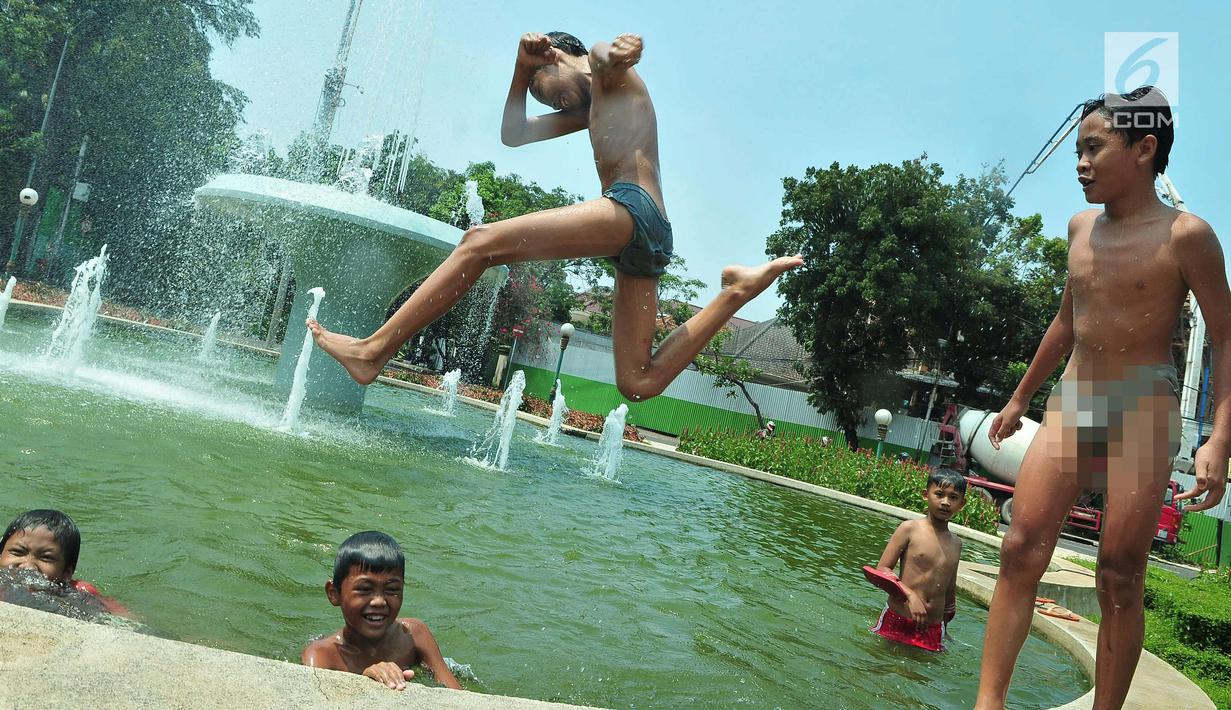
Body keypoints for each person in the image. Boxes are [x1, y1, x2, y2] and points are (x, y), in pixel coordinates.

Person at [307, 31, 802, 402]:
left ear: (558, 55)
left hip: (630, 207)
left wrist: (619, 52)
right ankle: (736, 290)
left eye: (546, 90)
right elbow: (514, 134)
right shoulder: (589, 108)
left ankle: (373, 352)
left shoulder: (605, 72)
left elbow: (606, 56)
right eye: (545, 99)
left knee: (479, 242)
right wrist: (523, 72)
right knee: (638, 382)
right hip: (647, 234)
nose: (552, 102)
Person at [975, 87, 1230, 709]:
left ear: (1144, 149)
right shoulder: (1080, 228)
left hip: (1145, 404)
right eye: (1077, 150)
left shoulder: (1187, 235)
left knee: (1118, 572)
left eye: (1093, 147)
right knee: (1018, 547)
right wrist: (1017, 399)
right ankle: (988, 703)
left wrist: (1218, 437)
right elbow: (1066, 322)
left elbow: (1225, 338)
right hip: (1078, 396)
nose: (1079, 162)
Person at [302, 531, 461, 691]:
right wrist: (363, 682)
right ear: (334, 594)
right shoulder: (321, 656)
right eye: (364, 589)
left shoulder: (413, 635)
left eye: (392, 589)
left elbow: (457, 696)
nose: (379, 601)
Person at [867, 469, 965, 652]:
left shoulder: (956, 543)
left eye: (953, 497)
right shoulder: (909, 529)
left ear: (961, 504)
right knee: (881, 664)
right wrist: (910, 596)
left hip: (932, 627)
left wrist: (945, 628)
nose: (945, 502)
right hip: (899, 617)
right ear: (925, 495)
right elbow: (882, 569)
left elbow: (949, 589)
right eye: (939, 494)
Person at [0, 509, 128, 615]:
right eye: (18, 552)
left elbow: (122, 618)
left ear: (66, 573)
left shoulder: (77, 592)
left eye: (46, 557)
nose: (28, 566)